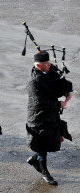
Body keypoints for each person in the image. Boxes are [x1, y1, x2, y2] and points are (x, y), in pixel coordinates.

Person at [26, 50, 72, 185]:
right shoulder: (33, 82)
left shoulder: (50, 71)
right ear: (38, 65)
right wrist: (59, 104)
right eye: (46, 64)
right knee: (41, 145)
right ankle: (45, 173)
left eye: (49, 62)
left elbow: (62, 81)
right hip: (38, 117)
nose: (49, 65)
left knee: (48, 143)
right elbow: (40, 102)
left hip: (51, 115)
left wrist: (68, 91)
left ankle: (35, 159)